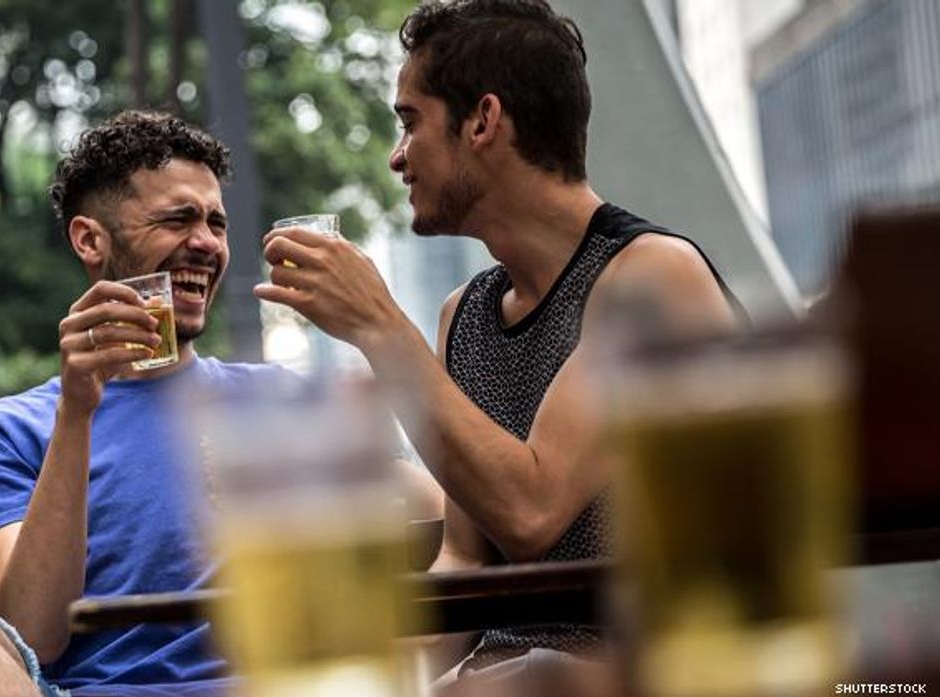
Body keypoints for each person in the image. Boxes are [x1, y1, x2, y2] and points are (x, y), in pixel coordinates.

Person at [256, 0, 742, 686]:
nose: (396, 158)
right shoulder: (465, 312)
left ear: (482, 121)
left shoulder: (652, 278)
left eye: (408, 122)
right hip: (510, 673)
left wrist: (377, 325)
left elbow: (530, 512)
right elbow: (464, 560)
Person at [0, 110, 298, 697]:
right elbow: (35, 631)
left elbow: (436, 536)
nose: (206, 244)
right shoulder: (8, 430)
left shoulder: (279, 397)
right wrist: (77, 413)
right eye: (177, 220)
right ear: (90, 240)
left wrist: (372, 330)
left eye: (217, 223)